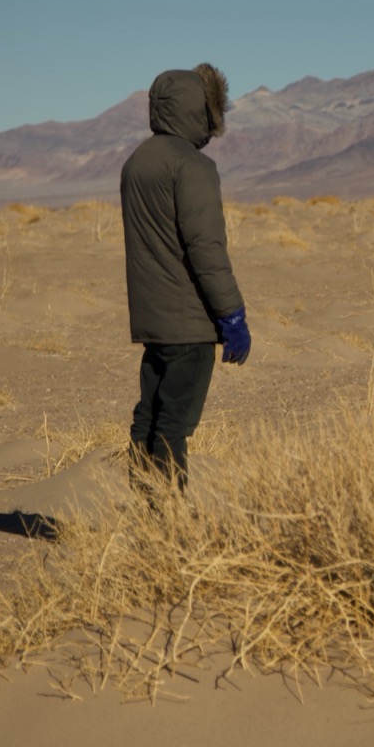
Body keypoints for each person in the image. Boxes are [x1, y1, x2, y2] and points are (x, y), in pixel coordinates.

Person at [120, 63, 250, 493]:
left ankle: (141, 505)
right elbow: (206, 249)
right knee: (175, 425)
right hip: (190, 325)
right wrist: (231, 315)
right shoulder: (192, 167)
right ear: (201, 111)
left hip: (153, 321)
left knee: (149, 415)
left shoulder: (136, 163)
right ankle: (169, 520)